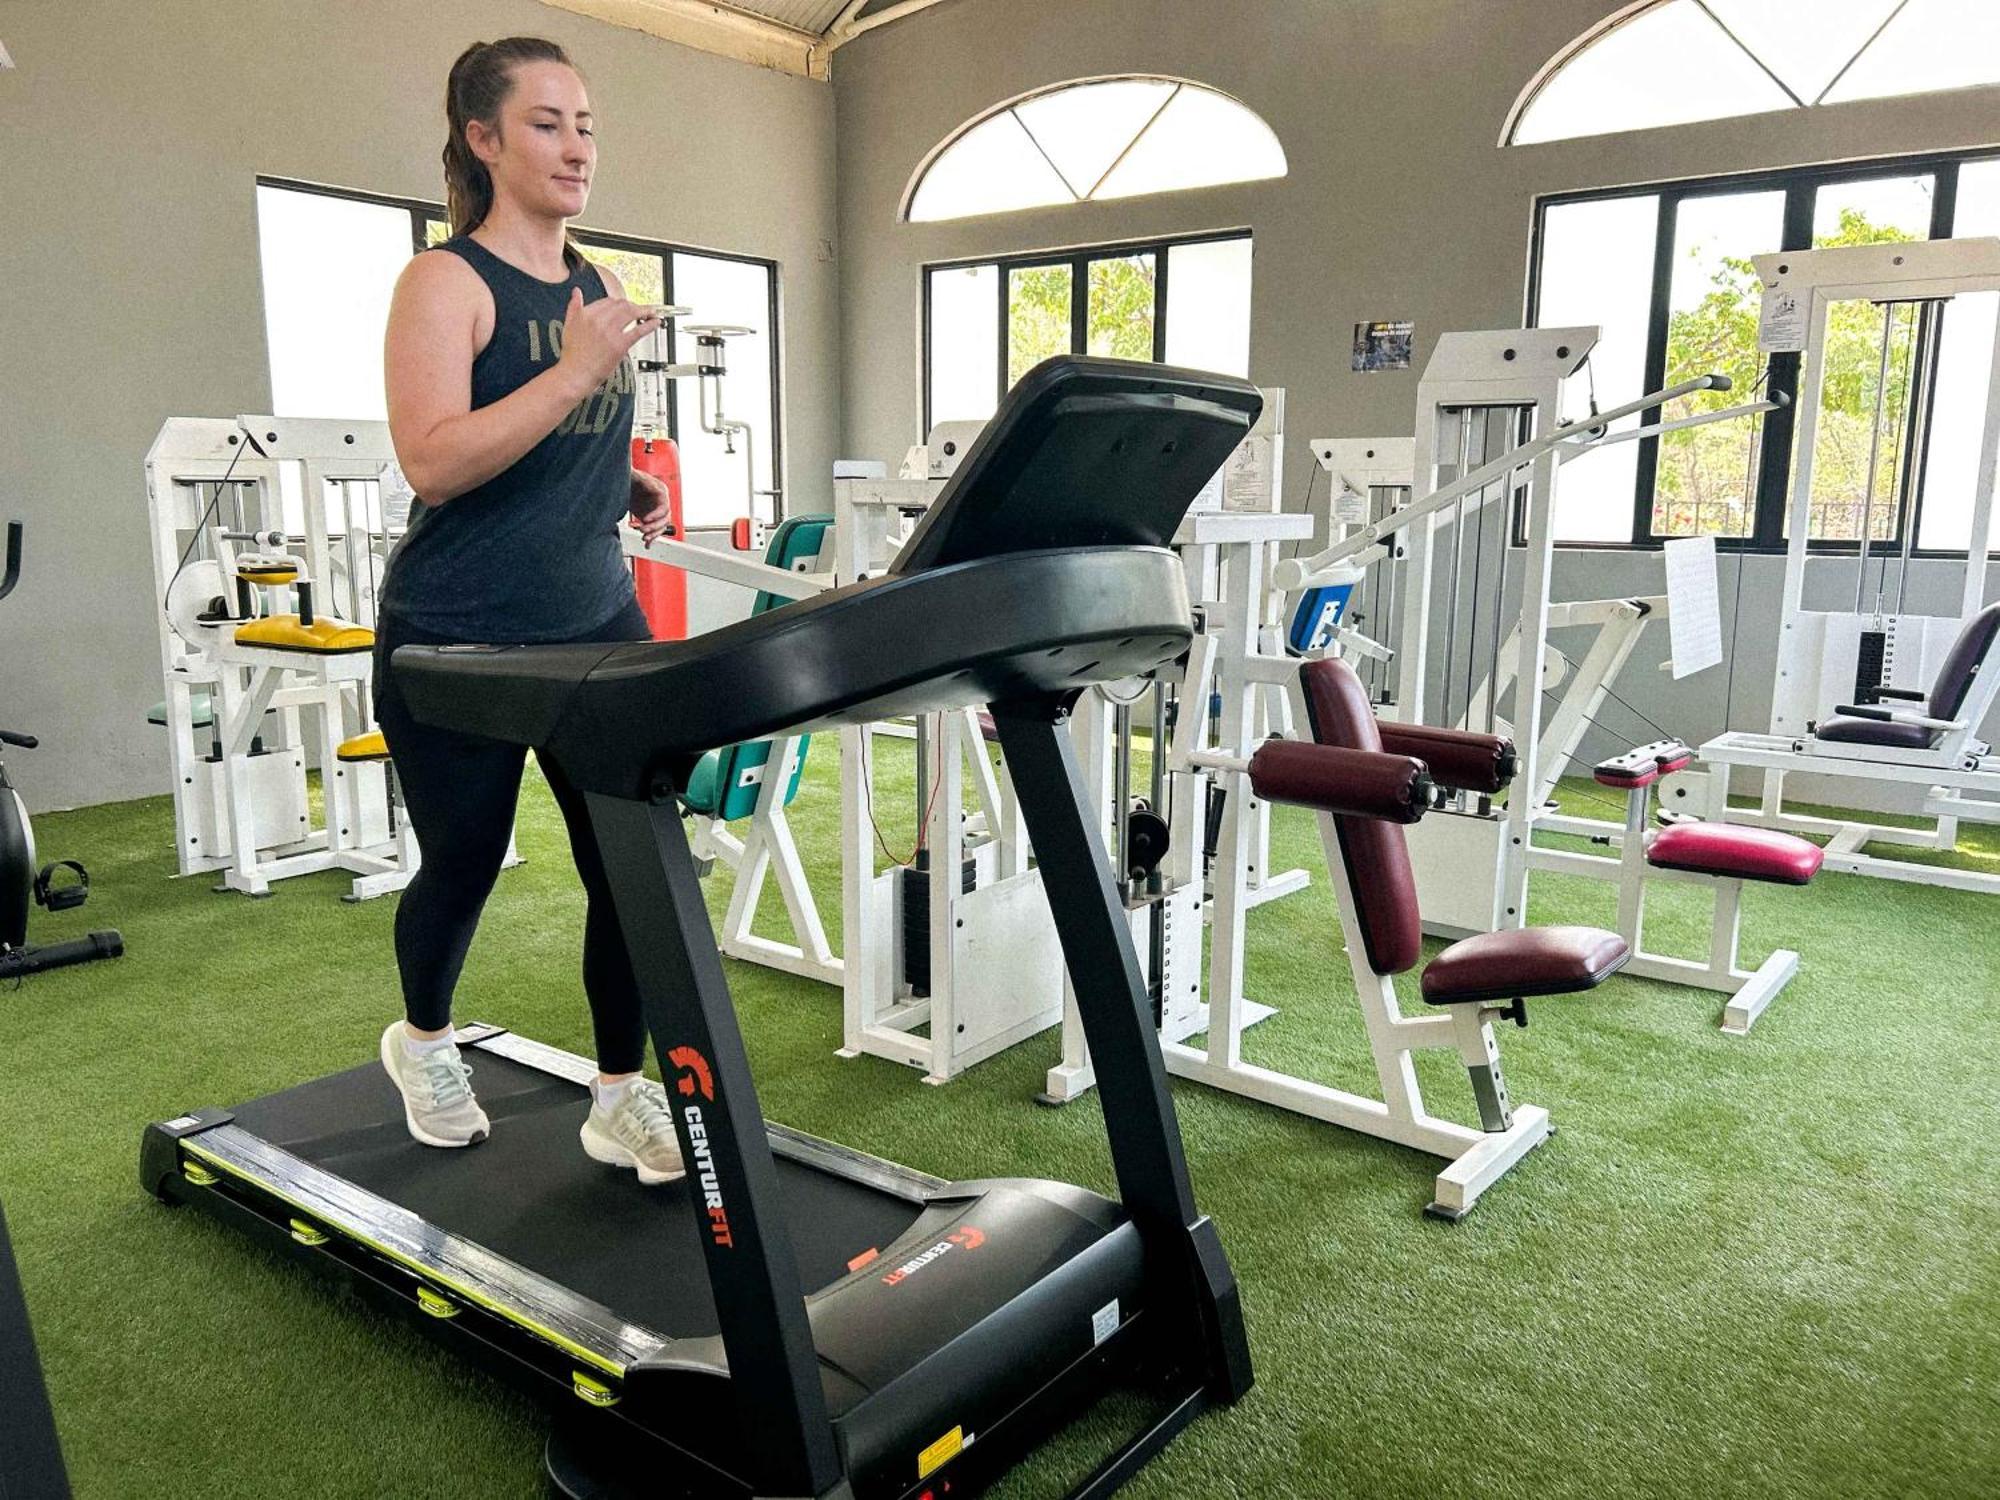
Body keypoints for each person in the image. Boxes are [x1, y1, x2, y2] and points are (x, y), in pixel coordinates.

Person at [373, 36, 683, 1183]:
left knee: (630, 868)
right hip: (457, 630)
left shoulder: (593, 283)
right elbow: (434, 463)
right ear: (483, 139)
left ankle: (619, 1094)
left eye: (586, 124)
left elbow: (555, 439)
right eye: (546, 123)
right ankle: (425, 1043)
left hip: (595, 621)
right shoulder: (443, 283)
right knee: (465, 856)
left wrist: (620, 477)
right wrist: (569, 373)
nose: (575, 146)